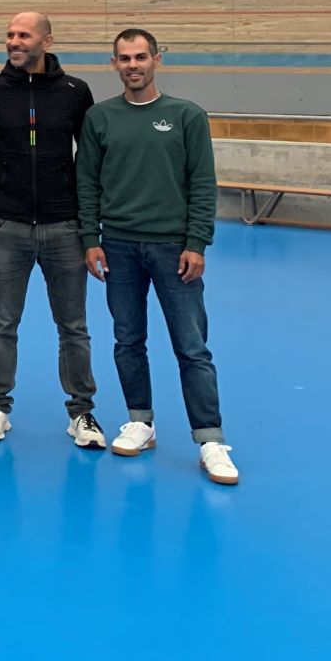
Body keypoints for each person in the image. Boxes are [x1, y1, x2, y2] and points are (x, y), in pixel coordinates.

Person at [79, 29, 238, 485]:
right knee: (128, 340)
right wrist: (92, 238)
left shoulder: (186, 116)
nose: (133, 65)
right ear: (114, 64)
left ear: (157, 60)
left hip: (174, 250)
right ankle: (140, 422)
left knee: (192, 347)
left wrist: (197, 242)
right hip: (119, 248)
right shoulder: (100, 118)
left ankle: (210, 439)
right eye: (124, 58)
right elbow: (87, 183)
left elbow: (202, 184)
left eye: (141, 57)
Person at [0, 11, 104, 449]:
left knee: (74, 326)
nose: (13, 41)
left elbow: (89, 157)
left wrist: (86, 216)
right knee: (1, 323)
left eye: (23, 35)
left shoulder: (74, 92)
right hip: (6, 227)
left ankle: (82, 413)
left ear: (46, 41)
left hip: (65, 225)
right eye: (9, 34)